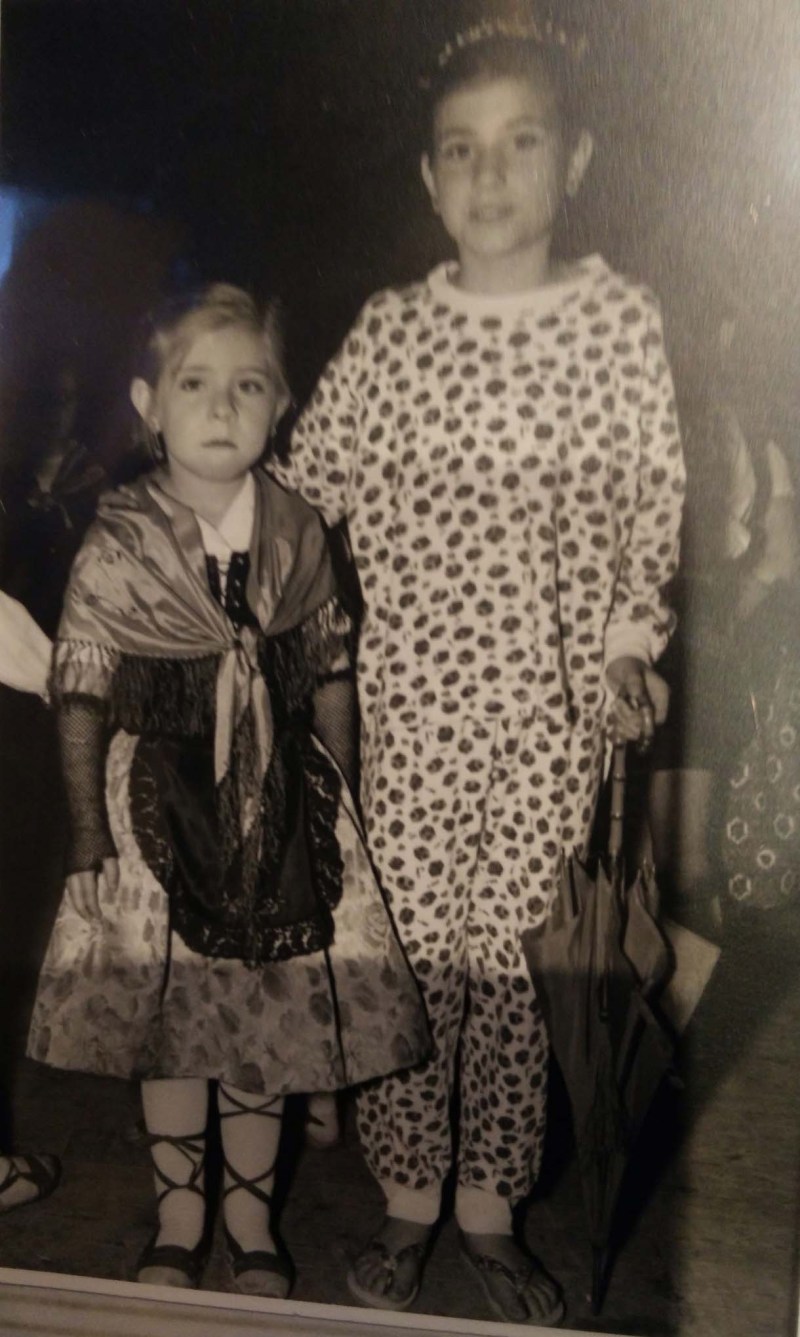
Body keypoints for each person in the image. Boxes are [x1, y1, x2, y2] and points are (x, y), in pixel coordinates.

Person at [268, 17, 684, 1326]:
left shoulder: (618, 324)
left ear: (576, 162)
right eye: (461, 148)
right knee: (412, 963)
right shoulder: (393, 333)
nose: (489, 174)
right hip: (409, 718)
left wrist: (627, 652)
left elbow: (648, 511)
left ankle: (491, 1204)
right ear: (428, 178)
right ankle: (407, 1195)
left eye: (520, 143)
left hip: (551, 726)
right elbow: (300, 495)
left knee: (511, 970)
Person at [26, 284, 429, 1297]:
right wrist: (87, 833)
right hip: (153, 812)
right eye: (193, 383)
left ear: (281, 404)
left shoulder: (298, 531)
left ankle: (250, 1216)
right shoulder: (119, 537)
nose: (219, 406)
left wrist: (345, 803)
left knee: (262, 1023)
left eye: (247, 385)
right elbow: (79, 692)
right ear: (147, 405)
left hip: (280, 813)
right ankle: (180, 1213)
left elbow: (330, 675)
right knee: (174, 1025)